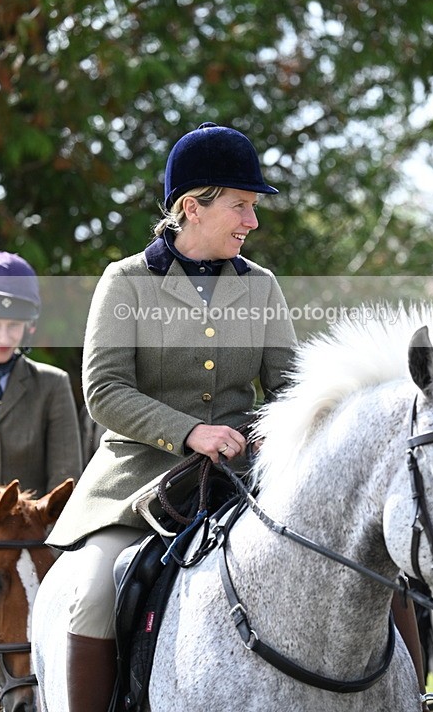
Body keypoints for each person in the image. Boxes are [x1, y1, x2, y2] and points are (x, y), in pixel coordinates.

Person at [46, 122, 298, 712]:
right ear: (192, 207)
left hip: (243, 476)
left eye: (252, 208)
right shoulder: (125, 281)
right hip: (140, 479)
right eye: (241, 206)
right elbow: (104, 390)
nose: (251, 222)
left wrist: (253, 434)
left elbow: (292, 389)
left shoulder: (262, 287)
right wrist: (189, 432)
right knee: (91, 592)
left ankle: (412, 697)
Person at [0, 251, 82, 498]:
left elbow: (64, 479)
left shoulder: (53, 384)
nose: (3, 338)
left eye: (13, 326)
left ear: (29, 326)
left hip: (29, 533)